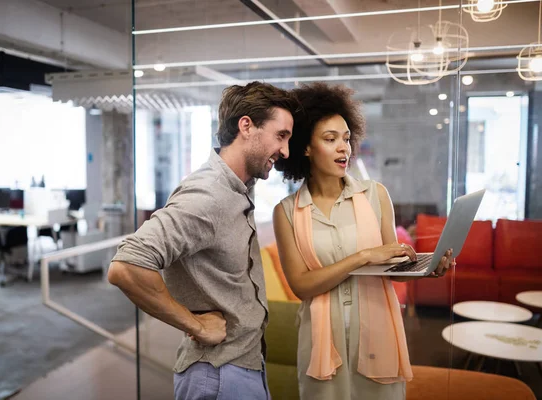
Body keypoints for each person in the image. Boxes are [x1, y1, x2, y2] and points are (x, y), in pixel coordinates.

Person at [107, 81, 298, 400]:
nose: (286, 151)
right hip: (220, 377)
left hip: (239, 368)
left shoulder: (238, 189)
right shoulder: (210, 195)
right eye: (281, 136)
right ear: (246, 126)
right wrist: (195, 326)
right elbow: (126, 266)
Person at [272, 82, 455, 400]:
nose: (344, 148)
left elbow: (390, 266)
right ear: (305, 147)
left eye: (346, 138)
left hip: (375, 328)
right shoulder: (286, 211)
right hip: (320, 336)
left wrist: (426, 269)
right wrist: (362, 257)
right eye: (330, 140)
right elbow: (302, 286)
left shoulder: (375, 194)